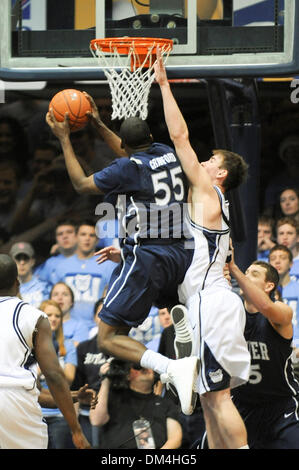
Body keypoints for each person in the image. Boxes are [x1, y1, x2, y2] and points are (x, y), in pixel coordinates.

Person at [46, 87, 198, 416]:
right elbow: (129, 152)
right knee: (128, 328)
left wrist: (64, 138)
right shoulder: (165, 151)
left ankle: (170, 369)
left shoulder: (128, 168)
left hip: (147, 257)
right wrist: (98, 124)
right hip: (180, 252)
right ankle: (178, 323)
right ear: (151, 136)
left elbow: (81, 185)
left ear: (126, 147)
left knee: (105, 338)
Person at [154, 47, 251, 449]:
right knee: (211, 399)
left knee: (219, 397)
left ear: (221, 173)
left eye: (211, 159)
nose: (204, 162)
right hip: (208, 302)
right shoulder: (214, 205)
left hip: (210, 303)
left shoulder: (210, 193)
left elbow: (179, 137)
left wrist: (162, 83)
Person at [0, 254, 90, 449]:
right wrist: (75, 428)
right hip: (16, 404)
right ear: (17, 283)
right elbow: (53, 375)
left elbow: (36, 392)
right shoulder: (33, 316)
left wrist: (73, 396)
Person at [224, 256, 299, 449]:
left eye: (254, 274)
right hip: (242, 405)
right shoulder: (232, 314)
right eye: (246, 272)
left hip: (279, 407)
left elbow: (265, 306)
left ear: (269, 286)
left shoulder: (281, 311)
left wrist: (233, 268)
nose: (247, 276)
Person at [89, 359, 183, 449]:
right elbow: (96, 420)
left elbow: (175, 438)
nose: (144, 368)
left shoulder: (165, 404)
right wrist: (106, 381)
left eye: (147, 365)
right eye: (137, 367)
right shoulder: (113, 396)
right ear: (127, 375)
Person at [51, 220, 115, 332]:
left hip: (97, 327)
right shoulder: (62, 266)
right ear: (75, 237)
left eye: (92, 235)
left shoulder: (108, 265)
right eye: (83, 234)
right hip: (66, 327)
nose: (87, 238)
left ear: (97, 239)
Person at [38, 299, 78, 449]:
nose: (53, 319)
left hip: (59, 413)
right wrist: (48, 361)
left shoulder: (68, 345)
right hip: (34, 412)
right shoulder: (28, 344)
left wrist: (49, 360)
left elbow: (68, 379)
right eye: (49, 315)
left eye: (57, 316)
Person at [71, 298, 108, 446]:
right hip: (87, 414)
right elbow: (75, 387)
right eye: (101, 313)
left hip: (118, 414)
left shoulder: (127, 349)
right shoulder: (83, 348)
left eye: (109, 313)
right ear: (94, 318)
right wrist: (74, 427)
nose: (105, 318)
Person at [268, 245, 299, 352]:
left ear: (291, 263)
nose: (277, 262)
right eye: (273, 259)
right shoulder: (264, 292)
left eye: (282, 258)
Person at [35, 219, 78, 284]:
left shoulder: (91, 259)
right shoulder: (50, 263)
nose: (65, 236)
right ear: (56, 239)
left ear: (78, 235)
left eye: (69, 232)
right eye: (60, 234)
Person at [9, 241, 51, 308]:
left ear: (32, 261)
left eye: (25, 258)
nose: (22, 262)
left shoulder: (45, 286)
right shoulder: (6, 289)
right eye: (18, 258)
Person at [50, 282, 90, 347]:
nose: (60, 298)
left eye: (65, 294)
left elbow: (76, 351)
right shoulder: (42, 325)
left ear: (72, 302)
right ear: (50, 300)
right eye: (55, 294)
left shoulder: (80, 327)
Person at [276, 217, 299, 281]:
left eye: (289, 233)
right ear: (277, 238)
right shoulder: (270, 262)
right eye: (281, 233)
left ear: (298, 237)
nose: (285, 237)